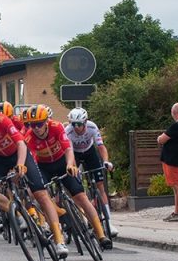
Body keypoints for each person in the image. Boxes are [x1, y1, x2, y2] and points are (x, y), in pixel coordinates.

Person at [0, 95, 69, 257]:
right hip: (0, 160)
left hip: (20, 154)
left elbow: (21, 143)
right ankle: (16, 213)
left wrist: (20, 164)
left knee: (40, 194)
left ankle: (59, 239)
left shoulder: (1, 121)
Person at [22, 104, 112, 249]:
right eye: (33, 125)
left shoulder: (56, 127)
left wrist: (70, 164)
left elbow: (68, 148)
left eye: (39, 124)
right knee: (40, 195)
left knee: (81, 197)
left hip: (62, 162)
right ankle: (57, 225)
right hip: (44, 167)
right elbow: (31, 159)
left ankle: (101, 234)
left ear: (46, 122)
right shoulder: (29, 136)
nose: (36, 128)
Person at [65, 108, 118, 236]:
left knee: (100, 187)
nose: (76, 127)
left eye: (79, 124)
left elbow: (100, 146)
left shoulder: (92, 127)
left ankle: (108, 222)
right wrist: (73, 167)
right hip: (75, 154)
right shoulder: (68, 132)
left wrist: (106, 161)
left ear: (85, 122)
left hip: (90, 152)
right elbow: (69, 152)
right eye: (74, 124)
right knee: (77, 187)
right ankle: (84, 216)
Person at [157, 102, 178, 222]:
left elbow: (162, 139)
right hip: (176, 158)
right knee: (175, 186)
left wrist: (159, 137)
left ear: (174, 112)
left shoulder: (177, 126)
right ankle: (176, 212)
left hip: (172, 160)